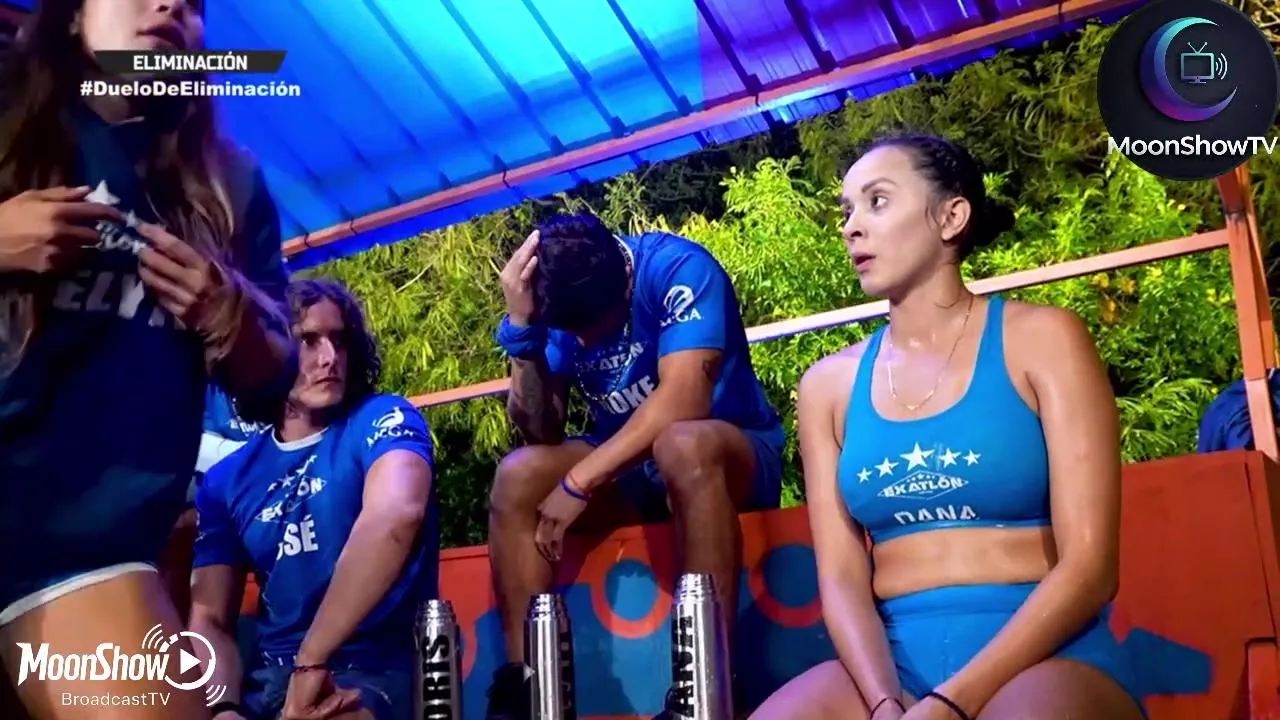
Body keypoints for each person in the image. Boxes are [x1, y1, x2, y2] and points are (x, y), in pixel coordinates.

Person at [749, 132, 1145, 720]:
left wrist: (948, 704)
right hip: (891, 668)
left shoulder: (1044, 339)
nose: (852, 227)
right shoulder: (827, 386)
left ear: (951, 216)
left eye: (877, 201)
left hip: (1044, 655)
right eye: (847, 211)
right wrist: (885, 704)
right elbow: (841, 580)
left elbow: (1091, 568)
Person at [0, 1, 296, 718]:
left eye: (193, 4)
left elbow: (275, 378)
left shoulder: (229, 183)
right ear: (73, 17)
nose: (170, 6)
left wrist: (230, 317)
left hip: (84, 550)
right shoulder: (11, 119)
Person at [485, 213, 786, 719]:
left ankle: (705, 685)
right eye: (572, 334)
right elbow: (541, 429)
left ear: (623, 286)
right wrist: (522, 332)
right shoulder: (554, 303)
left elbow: (685, 399)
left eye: (592, 331)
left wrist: (579, 482)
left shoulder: (677, 268)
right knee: (518, 475)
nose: (583, 345)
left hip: (727, 457)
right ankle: (526, 689)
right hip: (631, 473)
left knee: (682, 444)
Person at [188, 277, 437, 720]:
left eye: (339, 340)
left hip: (373, 673)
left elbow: (396, 515)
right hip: (269, 684)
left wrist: (311, 659)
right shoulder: (227, 479)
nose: (329, 358)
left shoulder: (385, 417)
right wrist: (223, 708)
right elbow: (209, 620)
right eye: (307, 341)